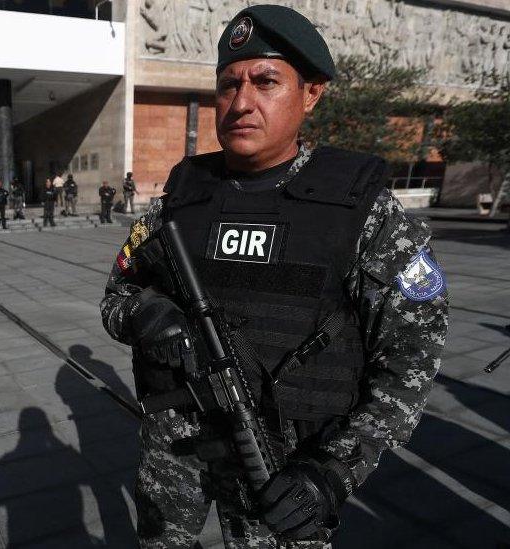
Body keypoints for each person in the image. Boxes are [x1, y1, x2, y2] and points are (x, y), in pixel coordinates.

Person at [100, 6, 449, 548]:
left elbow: (410, 363)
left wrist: (332, 472)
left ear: (311, 94)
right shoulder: (180, 200)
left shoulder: (365, 215)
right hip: (177, 448)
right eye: (228, 85)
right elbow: (118, 293)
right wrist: (149, 314)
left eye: (266, 82)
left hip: (283, 468)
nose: (241, 103)